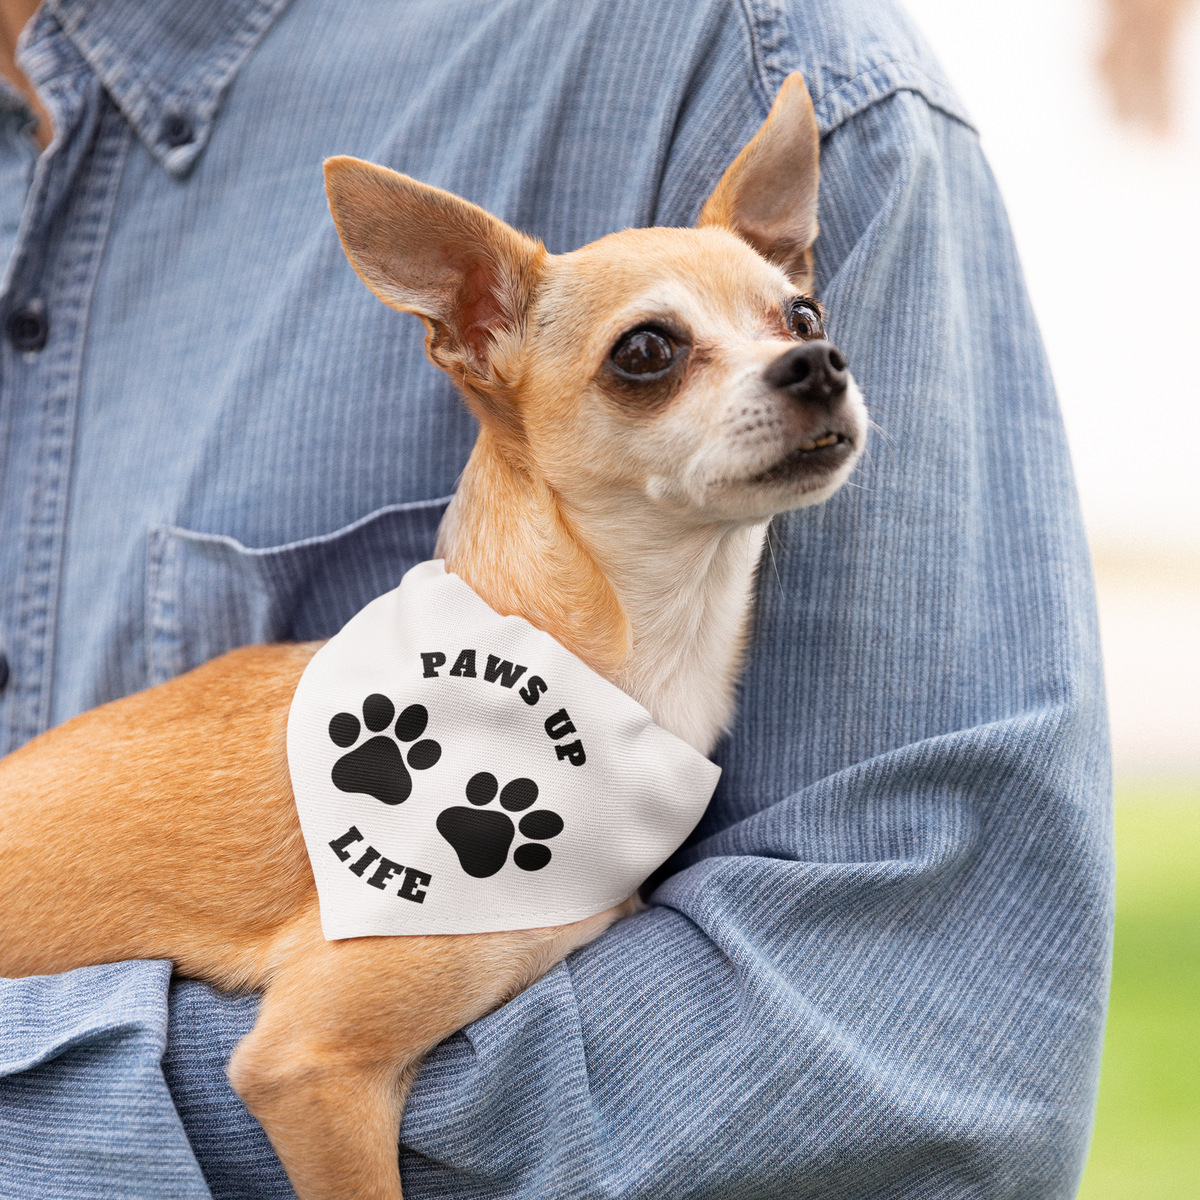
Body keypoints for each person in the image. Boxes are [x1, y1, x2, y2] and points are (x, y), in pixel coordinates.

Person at [0, 0, 1112, 1196]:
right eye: (651, 356)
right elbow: (309, 1069)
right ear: (476, 333)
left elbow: (911, 1072)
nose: (798, 364)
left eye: (795, 317)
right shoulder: (477, 792)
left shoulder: (773, 51)